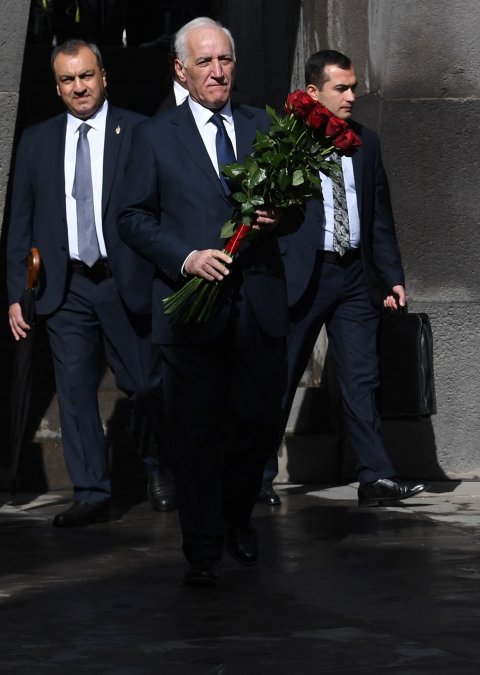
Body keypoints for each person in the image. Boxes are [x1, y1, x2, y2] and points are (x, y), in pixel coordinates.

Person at [118, 17, 288, 587]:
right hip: (191, 308)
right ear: (181, 70)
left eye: (226, 60)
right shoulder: (153, 135)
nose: (217, 71)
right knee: (193, 432)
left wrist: (276, 216)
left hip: (256, 302)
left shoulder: (263, 123)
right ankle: (203, 545)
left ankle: (238, 513)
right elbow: (132, 217)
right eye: (205, 62)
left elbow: (295, 207)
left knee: (260, 421)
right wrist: (184, 258)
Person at [5, 39, 172, 527]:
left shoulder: (140, 131)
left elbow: (160, 209)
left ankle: (157, 465)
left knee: (144, 385)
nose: (78, 87)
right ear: (56, 87)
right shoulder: (36, 142)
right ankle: (92, 492)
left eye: (86, 76)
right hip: (65, 285)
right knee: (75, 392)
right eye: (67, 79)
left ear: (103, 76)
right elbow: (21, 223)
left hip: (125, 281)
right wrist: (19, 293)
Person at [260, 49, 425, 508]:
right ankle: (257, 474)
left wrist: (391, 275)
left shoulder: (364, 142)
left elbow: (380, 218)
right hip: (303, 274)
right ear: (314, 92)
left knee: (361, 378)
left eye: (354, 87)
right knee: (282, 375)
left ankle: (375, 476)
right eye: (342, 88)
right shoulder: (286, 141)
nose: (352, 96)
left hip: (354, 274)